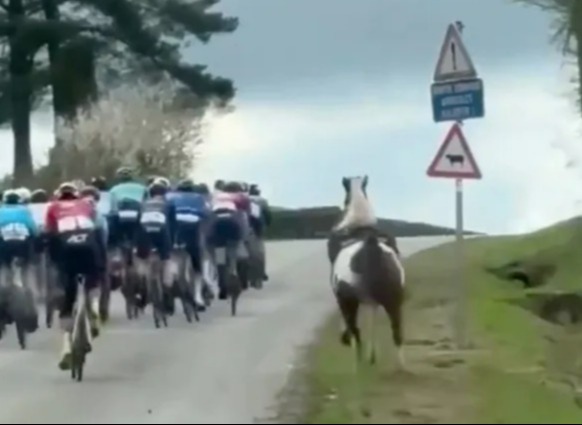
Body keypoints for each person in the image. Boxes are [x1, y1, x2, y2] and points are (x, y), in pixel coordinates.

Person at [45, 182, 104, 370]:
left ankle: (66, 346)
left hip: (67, 250)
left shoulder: (52, 207)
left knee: (67, 300)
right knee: (94, 277)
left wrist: (55, 263)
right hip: (89, 246)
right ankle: (94, 306)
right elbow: (99, 230)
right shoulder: (87, 205)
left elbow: (50, 235)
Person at [135, 181, 177, 314]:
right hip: (162, 233)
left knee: (142, 260)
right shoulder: (169, 204)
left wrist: (136, 245)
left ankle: (142, 289)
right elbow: (173, 225)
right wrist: (173, 243)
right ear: (165, 194)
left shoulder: (142, 204)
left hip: (144, 233)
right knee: (167, 262)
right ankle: (168, 295)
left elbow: (137, 225)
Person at [171, 178, 212, 310]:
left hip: (176, 231)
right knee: (197, 266)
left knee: (175, 258)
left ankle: (173, 281)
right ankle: (198, 297)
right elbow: (207, 215)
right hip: (192, 230)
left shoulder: (170, 197)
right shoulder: (199, 198)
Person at [209, 180, 251, 298]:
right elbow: (247, 217)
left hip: (217, 230)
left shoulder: (216, 197)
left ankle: (222, 285)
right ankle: (242, 282)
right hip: (234, 229)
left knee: (220, 260)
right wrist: (244, 236)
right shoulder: (242, 198)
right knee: (241, 256)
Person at [0, 189, 39, 292]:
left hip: (5, 244)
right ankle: (30, 291)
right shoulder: (25, 211)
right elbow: (34, 230)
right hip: (23, 244)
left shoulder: (0, 210)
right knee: (27, 268)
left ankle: (3, 290)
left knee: (4, 268)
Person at [108, 167, 147, 259]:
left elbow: (112, 206)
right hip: (137, 210)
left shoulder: (113, 189)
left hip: (121, 210)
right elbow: (147, 202)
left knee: (114, 230)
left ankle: (116, 246)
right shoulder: (142, 188)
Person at [248, 184, 271, 281]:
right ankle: (261, 273)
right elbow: (267, 215)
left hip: (242, 228)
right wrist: (267, 224)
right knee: (259, 251)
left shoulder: (244, 199)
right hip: (256, 228)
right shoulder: (262, 201)